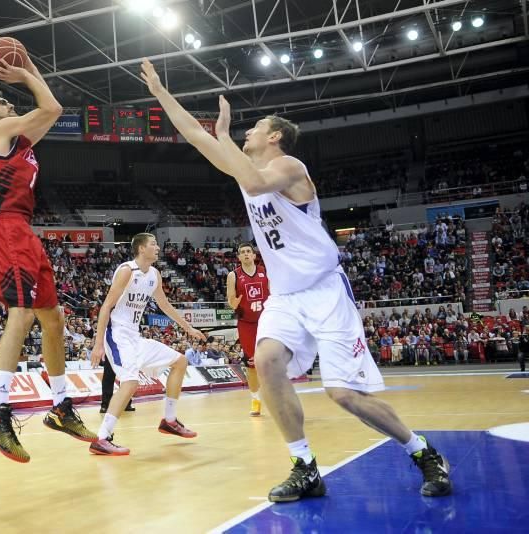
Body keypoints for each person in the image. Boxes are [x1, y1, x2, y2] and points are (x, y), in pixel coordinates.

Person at [141, 58, 451, 501]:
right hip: (285, 296)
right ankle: (305, 466)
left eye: (254, 129)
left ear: (275, 136)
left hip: (325, 291)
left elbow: (248, 177)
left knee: (344, 395)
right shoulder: (250, 167)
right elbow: (194, 134)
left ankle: (422, 452)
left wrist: (224, 137)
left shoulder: (289, 166)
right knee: (266, 363)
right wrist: (160, 93)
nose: (246, 133)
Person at [0, 54, 96, 463]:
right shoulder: (0, 129)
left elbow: (52, 111)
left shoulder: (20, 142)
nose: (11, 106)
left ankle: (60, 406)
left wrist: (32, 71)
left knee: (53, 318)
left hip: (23, 228)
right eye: (4, 103)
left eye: (10, 103)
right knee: (21, 314)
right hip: (4, 227)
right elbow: (51, 108)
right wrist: (25, 74)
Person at [89, 233, 206, 456]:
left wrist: (188, 328)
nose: (158, 248)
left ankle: (169, 420)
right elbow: (105, 307)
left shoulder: (154, 275)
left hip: (135, 337)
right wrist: (98, 344)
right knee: (130, 382)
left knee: (180, 362)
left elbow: (165, 305)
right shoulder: (126, 271)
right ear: (141, 249)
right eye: (153, 244)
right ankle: (102, 438)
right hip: (117, 335)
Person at [226, 242, 269, 417]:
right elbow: (230, 299)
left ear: (253, 255)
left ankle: (276, 396)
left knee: (272, 360)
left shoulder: (265, 271)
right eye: (242, 252)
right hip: (246, 323)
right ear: (238, 257)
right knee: (251, 364)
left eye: (248, 252)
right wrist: (233, 304)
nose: (245, 254)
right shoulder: (233, 275)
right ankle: (256, 400)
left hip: (266, 320)